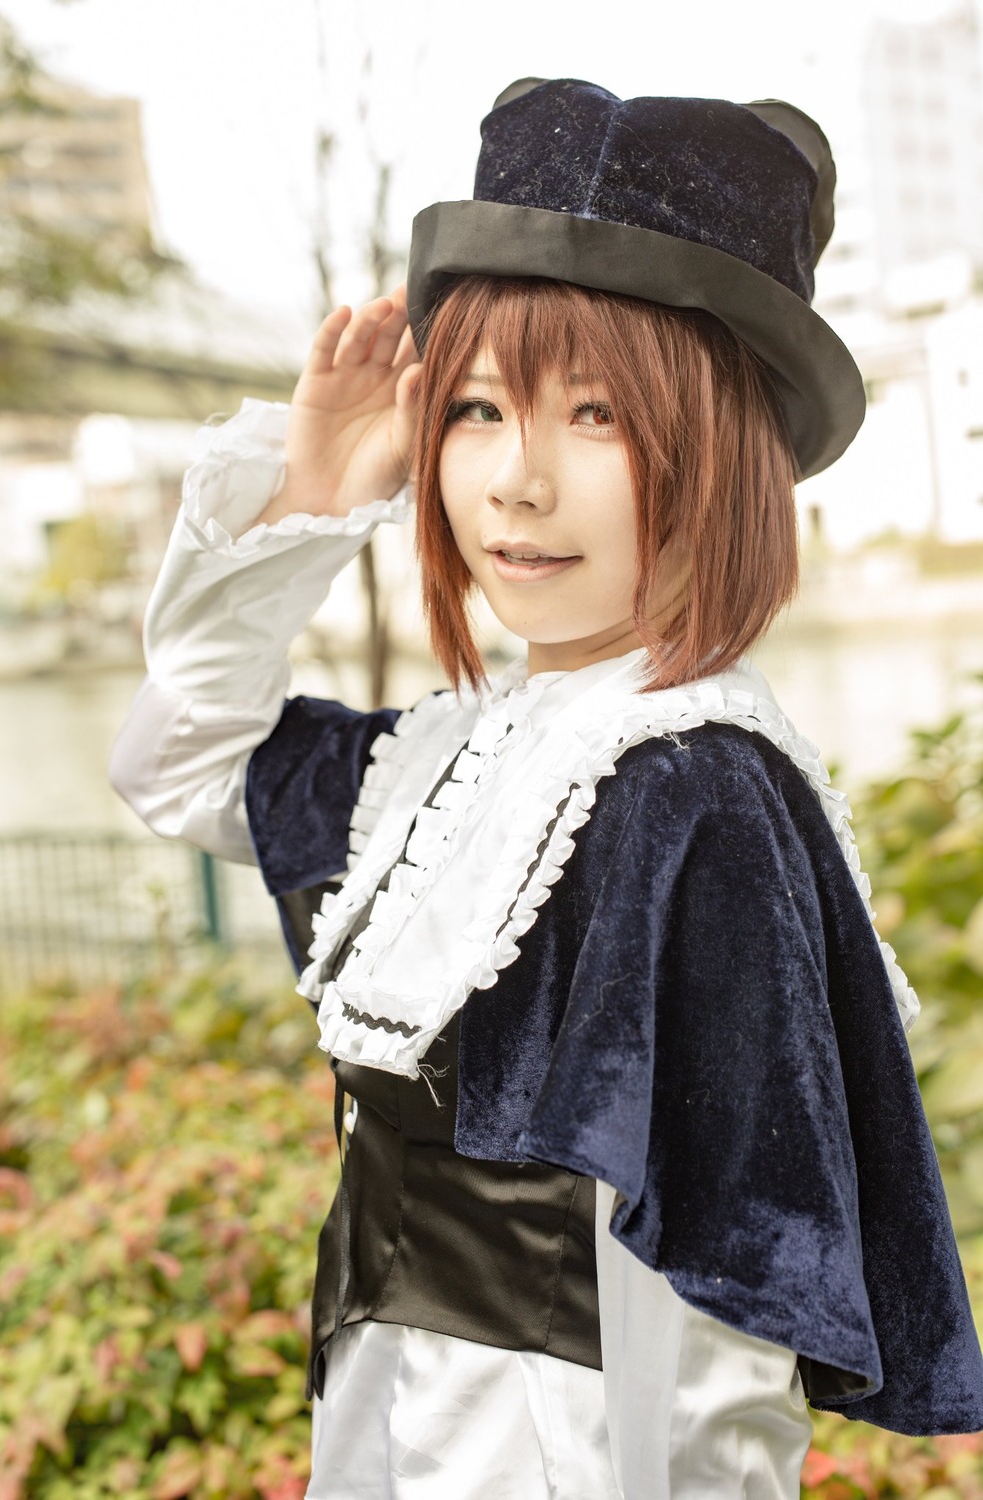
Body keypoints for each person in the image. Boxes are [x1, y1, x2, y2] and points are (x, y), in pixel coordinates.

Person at [110, 78, 983, 1498]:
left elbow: (719, 1325)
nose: (517, 482)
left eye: (596, 414)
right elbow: (177, 761)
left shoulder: (692, 794)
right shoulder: (461, 759)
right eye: (474, 409)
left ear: (728, 449)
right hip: (381, 1430)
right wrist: (314, 494)